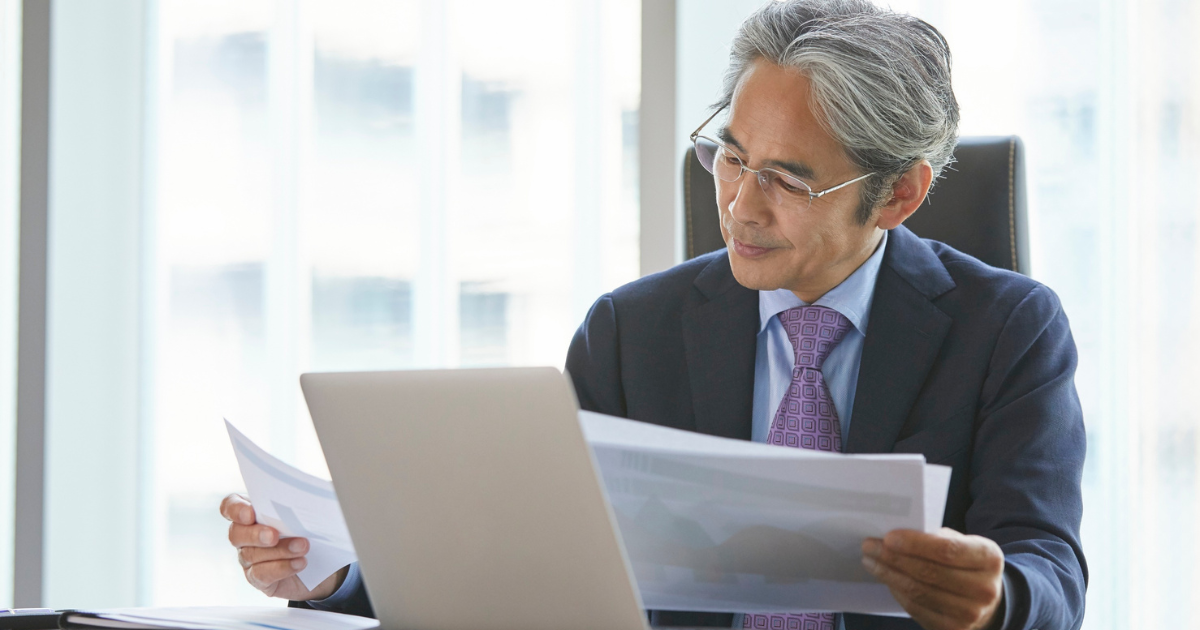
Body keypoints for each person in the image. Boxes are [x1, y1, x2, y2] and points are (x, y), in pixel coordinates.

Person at [220, 1, 1087, 628]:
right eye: (731, 158)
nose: (742, 207)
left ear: (899, 194)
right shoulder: (629, 332)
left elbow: (1049, 571)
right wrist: (333, 574)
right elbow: (527, 563)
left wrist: (996, 597)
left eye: (787, 179)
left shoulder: (1009, 329)